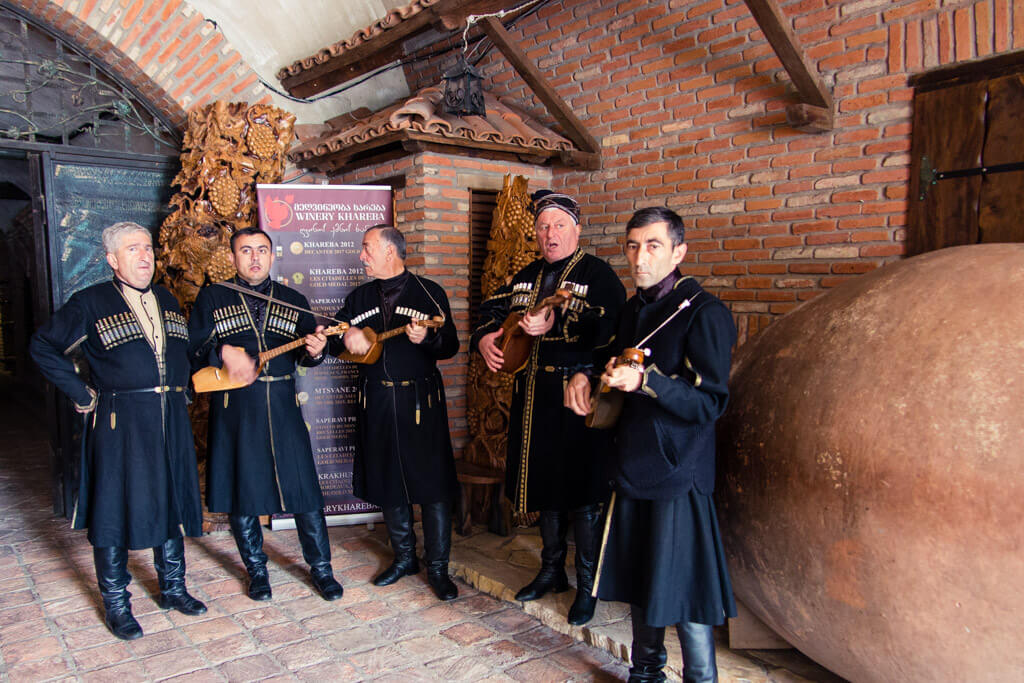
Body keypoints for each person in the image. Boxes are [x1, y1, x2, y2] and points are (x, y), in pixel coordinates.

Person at [565, 207, 737, 682]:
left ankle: (700, 679)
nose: (640, 258)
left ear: (679, 251)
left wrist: (646, 380)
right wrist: (582, 373)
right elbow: (604, 354)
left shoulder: (706, 313)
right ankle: (645, 674)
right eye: (633, 246)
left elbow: (710, 404)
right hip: (631, 466)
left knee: (685, 590)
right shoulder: (633, 308)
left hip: (678, 474)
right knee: (643, 579)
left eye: (654, 246)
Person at [30, 222, 206, 640]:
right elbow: (42, 345)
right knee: (113, 508)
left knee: (170, 498)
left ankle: (173, 588)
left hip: (170, 417)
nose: (145, 256)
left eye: (148, 248)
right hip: (120, 421)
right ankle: (116, 603)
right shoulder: (89, 302)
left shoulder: (166, 298)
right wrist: (81, 392)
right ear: (112, 259)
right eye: (132, 249)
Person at [471, 190, 625, 626]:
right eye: (542, 226)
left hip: (577, 398)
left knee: (582, 493)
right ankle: (551, 570)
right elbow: (492, 307)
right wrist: (485, 336)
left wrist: (563, 324)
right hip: (534, 397)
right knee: (548, 488)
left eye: (558, 225)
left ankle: (589, 586)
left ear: (577, 229)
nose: (549, 234)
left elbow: (613, 332)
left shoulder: (599, 275)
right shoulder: (527, 275)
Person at [188, 227, 343, 603]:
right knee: (245, 492)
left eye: (262, 250)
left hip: (283, 405)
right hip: (236, 406)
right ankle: (257, 572)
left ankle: (321, 570)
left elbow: (310, 354)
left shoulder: (293, 299)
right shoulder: (213, 296)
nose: (255, 258)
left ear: (272, 256)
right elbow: (193, 347)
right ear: (233, 257)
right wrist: (222, 352)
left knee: (304, 490)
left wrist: (318, 349)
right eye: (246, 251)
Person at [327, 225, 461, 601]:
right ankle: (405, 558)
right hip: (378, 402)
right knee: (389, 481)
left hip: (421, 403)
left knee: (433, 488)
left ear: (390, 251)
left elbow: (450, 343)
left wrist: (428, 338)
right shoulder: (360, 297)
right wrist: (346, 338)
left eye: (367, 248)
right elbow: (335, 337)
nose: (362, 255)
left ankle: (438, 569)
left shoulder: (428, 292)